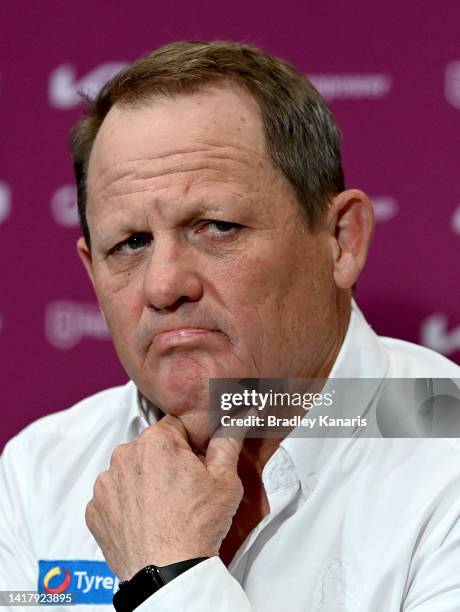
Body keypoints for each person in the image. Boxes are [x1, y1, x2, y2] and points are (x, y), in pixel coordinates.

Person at [1, 40, 459, 611]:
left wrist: (166, 575)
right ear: (91, 270)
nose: (164, 286)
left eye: (216, 227)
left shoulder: (448, 453)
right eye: (131, 242)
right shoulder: (38, 472)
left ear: (341, 241)